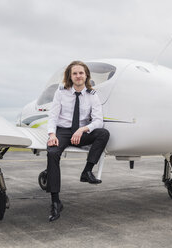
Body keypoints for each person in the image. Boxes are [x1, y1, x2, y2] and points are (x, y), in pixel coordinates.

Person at [46, 61, 110, 222]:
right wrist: (52, 135)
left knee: (103, 133)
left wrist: (83, 129)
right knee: (52, 153)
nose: (78, 76)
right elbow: (53, 116)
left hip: (81, 132)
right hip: (63, 132)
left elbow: (98, 121)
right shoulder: (61, 92)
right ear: (70, 76)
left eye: (81, 73)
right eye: (74, 73)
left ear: (86, 75)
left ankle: (87, 172)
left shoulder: (92, 95)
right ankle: (55, 202)